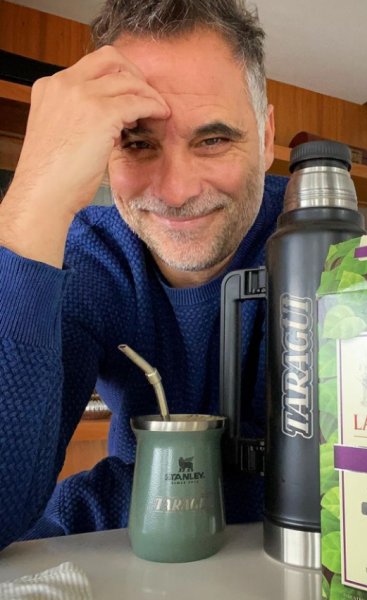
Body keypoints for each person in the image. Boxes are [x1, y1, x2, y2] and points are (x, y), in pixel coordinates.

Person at [0, 0, 287, 550]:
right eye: (137, 143)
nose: (176, 192)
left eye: (213, 140)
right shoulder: (91, 257)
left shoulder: (329, 249)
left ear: (267, 136)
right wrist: (36, 198)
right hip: (129, 548)